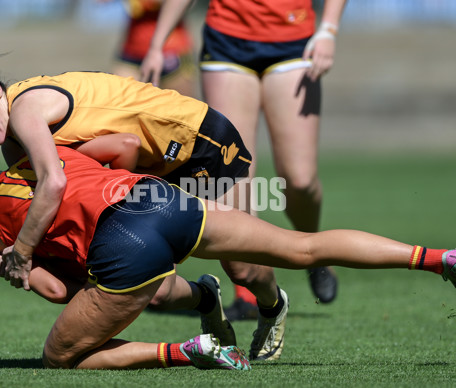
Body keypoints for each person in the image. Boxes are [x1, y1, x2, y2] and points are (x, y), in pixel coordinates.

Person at [0, 145, 456, 370]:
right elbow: (125, 142)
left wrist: (18, 269)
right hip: (159, 197)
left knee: (60, 357)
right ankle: (438, 257)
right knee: (301, 248)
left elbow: (59, 291)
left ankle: (189, 348)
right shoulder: (44, 154)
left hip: (125, 239)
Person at [0, 41, 288, 360]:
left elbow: (118, 149)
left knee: (241, 267)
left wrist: (25, 252)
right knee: (156, 289)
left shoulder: (26, 112)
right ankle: (206, 299)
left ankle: (272, 307)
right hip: (153, 172)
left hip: (194, 143)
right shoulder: (14, 145)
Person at [141, 0, 347, 320]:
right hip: (227, 43)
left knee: (300, 180)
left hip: (295, 42)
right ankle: (252, 293)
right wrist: (158, 44)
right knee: (235, 180)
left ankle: (314, 255)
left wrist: (329, 30)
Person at [112, 0, 197, 97]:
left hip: (171, 52)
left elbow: (188, 4)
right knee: (121, 102)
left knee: (178, 108)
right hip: (132, 51)